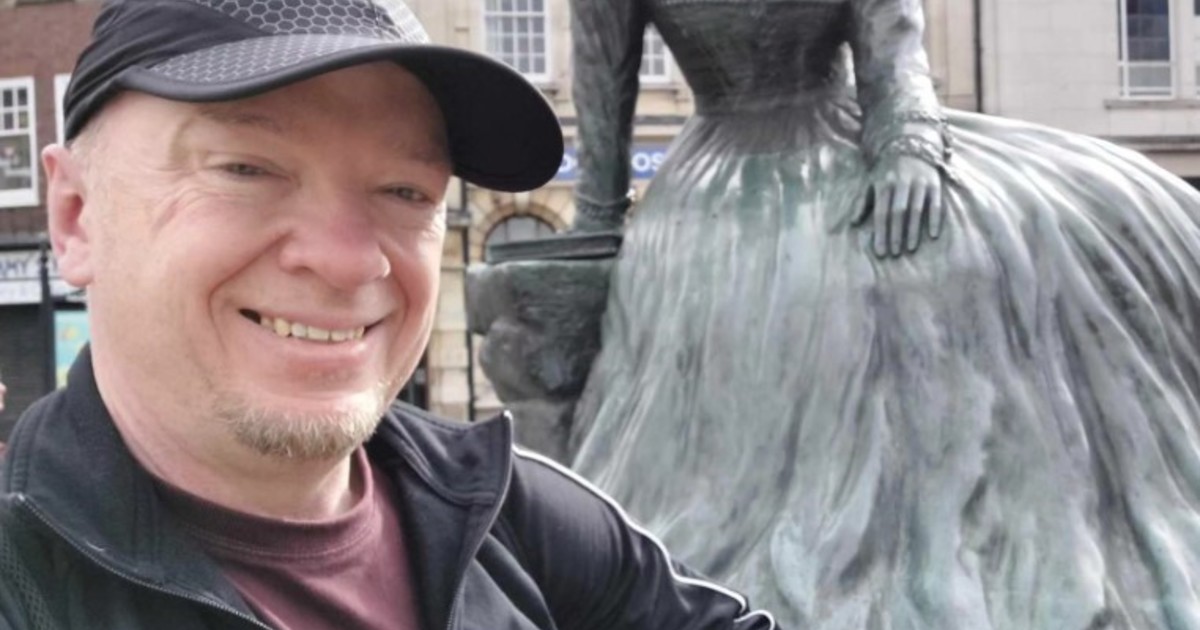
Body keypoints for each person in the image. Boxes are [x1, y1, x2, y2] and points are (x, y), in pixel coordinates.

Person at [0, 1, 779, 629]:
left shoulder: (507, 512)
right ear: (76, 216)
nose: (350, 261)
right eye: (246, 169)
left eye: (405, 191)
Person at [566, 0, 1200, 629]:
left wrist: (909, 148)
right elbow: (601, 88)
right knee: (811, 284)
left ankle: (1015, 523)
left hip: (854, 137)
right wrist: (595, 231)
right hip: (719, 179)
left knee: (1026, 227)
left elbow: (893, 50)